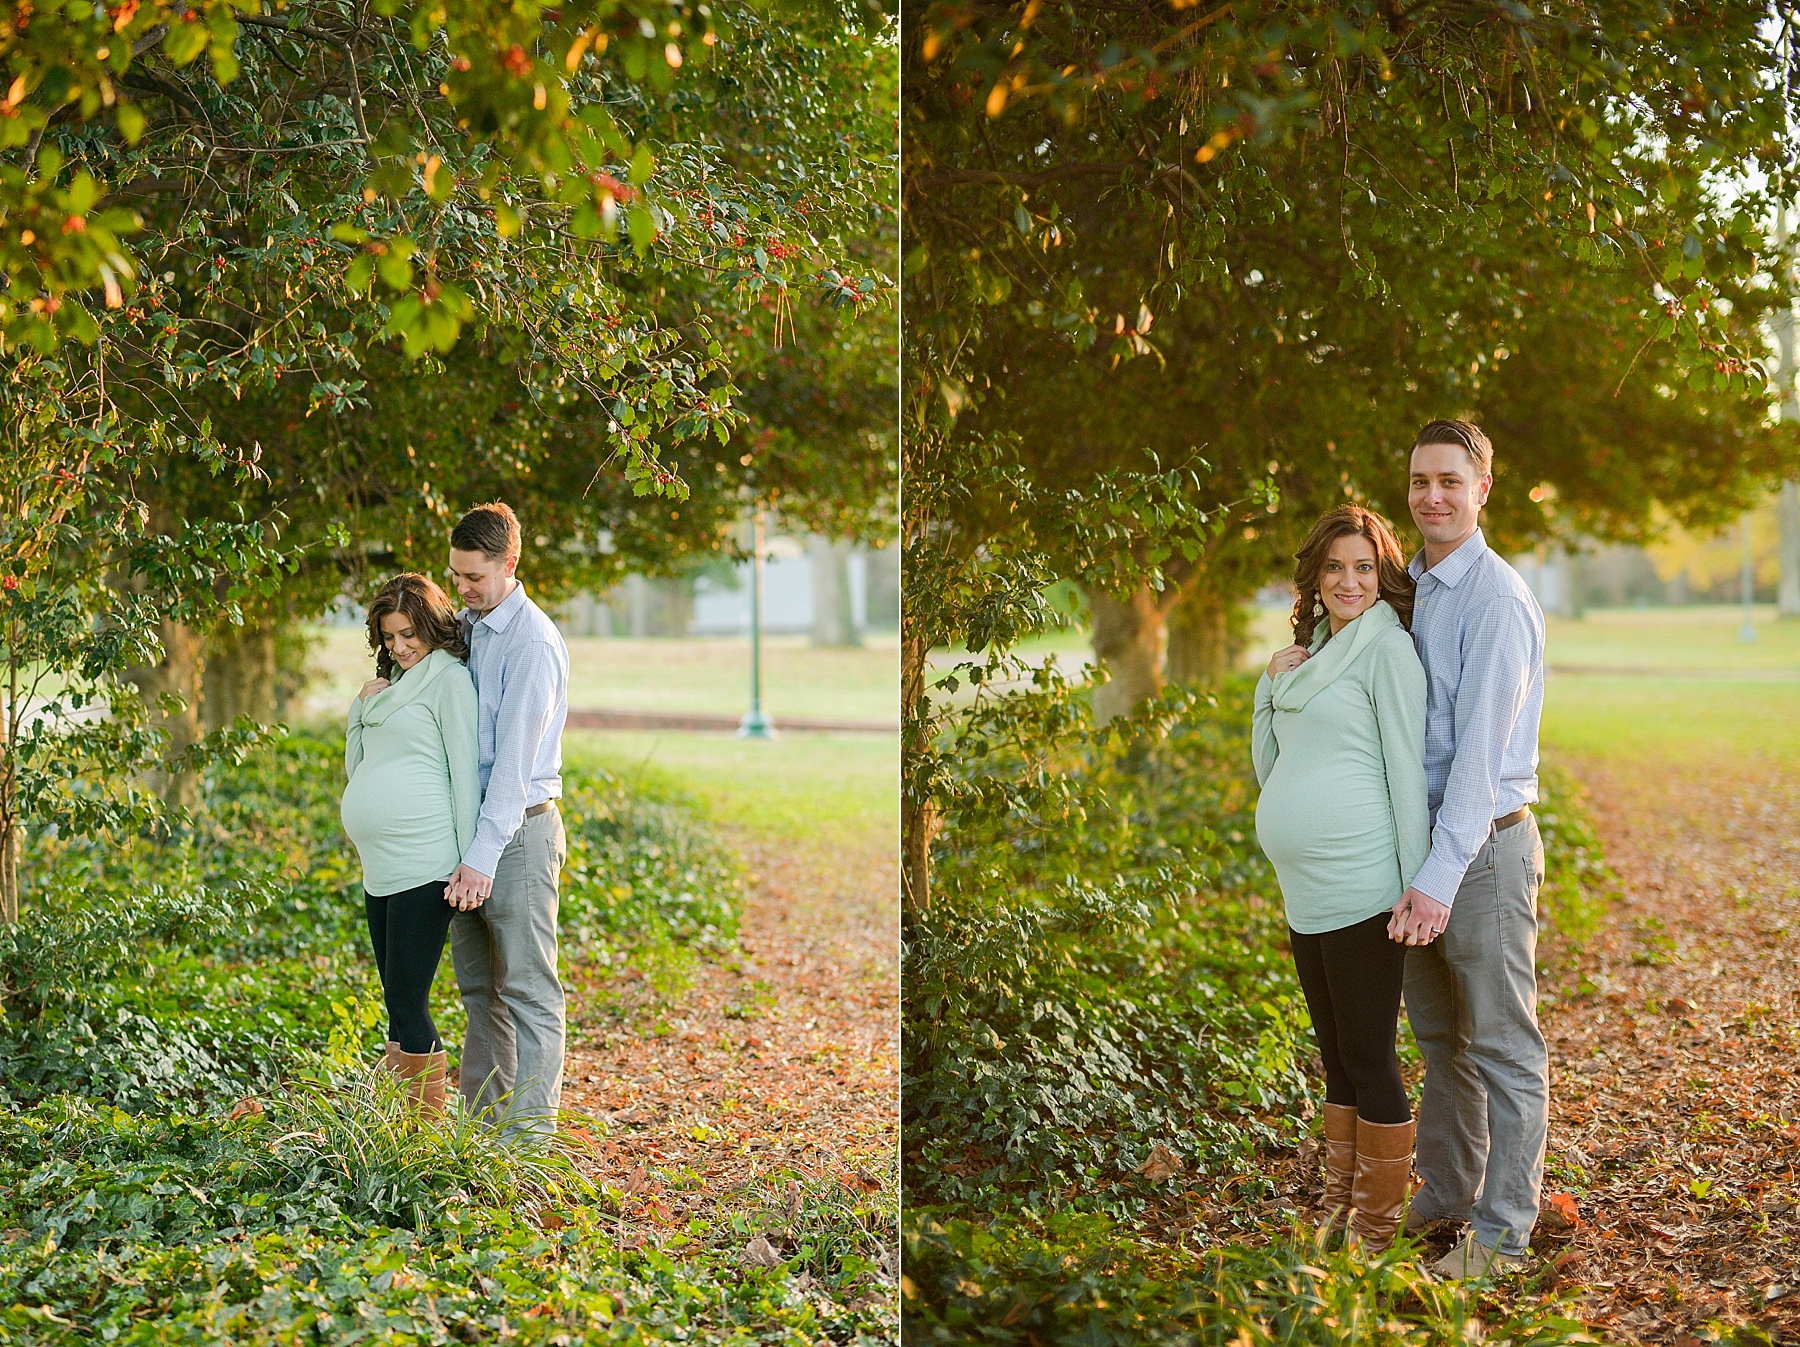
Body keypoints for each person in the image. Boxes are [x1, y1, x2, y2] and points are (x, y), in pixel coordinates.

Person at [1388, 419, 1548, 1279]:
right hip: (1423, 857)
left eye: (1450, 480)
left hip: (1482, 854)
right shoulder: (1411, 585)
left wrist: (1435, 883)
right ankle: (1448, 1193)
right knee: (1442, 1039)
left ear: (1484, 488)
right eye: (1420, 481)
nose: (1433, 496)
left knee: (1502, 1044)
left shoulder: (1495, 599)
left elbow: (1480, 766)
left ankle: (1502, 1237)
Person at [1253, 505, 1430, 1253]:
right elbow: (1272, 765)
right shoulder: (1312, 654)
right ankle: (1338, 1207)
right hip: (1308, 893)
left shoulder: (1385, 650)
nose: (1348, 580)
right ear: (1316, 578)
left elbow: (1406, 771)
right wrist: (1267, 688)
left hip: (1365, 888)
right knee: (1334, 1053)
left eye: (1363, 566)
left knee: (1368, 1055)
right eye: (1335, 567)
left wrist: (1418, 888)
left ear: (1382, 574)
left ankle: (1376, 1230)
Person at [442, 501, 571, 1139]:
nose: (462, 590)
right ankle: (481, 1136)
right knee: (479, 997)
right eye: (457, 575)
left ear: (509, 565)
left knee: (528, 992)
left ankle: (529, 1149)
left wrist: (479, 859)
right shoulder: (465, 629)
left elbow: (514, 768)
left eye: (474, 578)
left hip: (517, 836)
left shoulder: (533, 643)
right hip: (470, 838)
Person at [340, 573, 480, 1116]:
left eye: (407, 634)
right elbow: (359, 769)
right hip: (381, 867)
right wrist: (359, 710)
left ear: (429, 625)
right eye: (389, 638)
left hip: (427, 863)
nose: (399, 648)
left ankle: (421, 1133)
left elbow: (465, 775)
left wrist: (471, 862)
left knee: (407, 1000)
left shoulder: (448, 680)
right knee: (394, 1004)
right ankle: (401, 1129)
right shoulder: (392, 687)